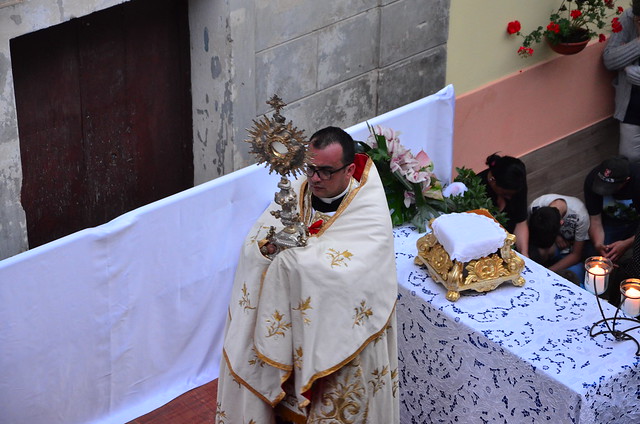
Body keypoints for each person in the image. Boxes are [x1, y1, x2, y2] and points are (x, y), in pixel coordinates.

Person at [215, 127, 399, 423]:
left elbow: (353, 276)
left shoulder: (368, 210)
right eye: (311, 168)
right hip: (290, 330)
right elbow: (254, 246)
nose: (315, 178)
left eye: (325, 171)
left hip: (340, 341)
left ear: (349, 169)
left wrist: (295, 260)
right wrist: (269, 248)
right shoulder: (299, 190)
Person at [602, 0, 640, 163]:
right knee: (629, 159)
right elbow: (610, 60)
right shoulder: (629, 16)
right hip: (632, 108)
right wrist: (639, 43)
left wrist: (630, 70)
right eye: (638, 21)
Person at [584, 156, 640, 264]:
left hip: (637, 223)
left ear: (626, 180)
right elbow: (595, 220)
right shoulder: (592, 179)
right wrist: (599, 245)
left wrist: (627, 243)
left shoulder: (637, 180)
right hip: (612, 222)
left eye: (610, 187)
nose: (605, 191)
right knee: (591, 254)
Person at [528, 194, 590, 284]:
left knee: (574, 274)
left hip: (571, 250)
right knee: (533, 255)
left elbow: (576, 255)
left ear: (561, 223)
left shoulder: (580, 216)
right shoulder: (535, 206)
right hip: (549, 244)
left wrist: (547, 272)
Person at [478, 154, 529, 256]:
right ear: (493, 181)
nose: (510, 198)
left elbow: (520, 222)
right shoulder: (477, 188)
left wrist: (524, 253)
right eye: (506, 194)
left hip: (509, 244)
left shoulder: (517, 185)